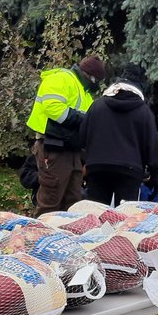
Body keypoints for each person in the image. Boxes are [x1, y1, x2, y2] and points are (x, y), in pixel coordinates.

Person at [26, 55, 106, 215]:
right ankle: (39, 236)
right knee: (50, 201)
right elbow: (52, 107)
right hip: (54, 147)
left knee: (73, 202)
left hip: (71, 150)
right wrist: (81, 119)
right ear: (91, 77)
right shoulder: (62, 78)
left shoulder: (84, 92)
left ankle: (66, 235)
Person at [81, 63, 158, 204]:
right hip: (130, 170)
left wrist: (84, 163)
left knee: (95, 214)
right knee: (125, 218)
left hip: (97, 167)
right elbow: (152, 147)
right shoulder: (143, 111)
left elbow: (82, 136)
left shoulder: (97, 106)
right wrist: (154, 177)